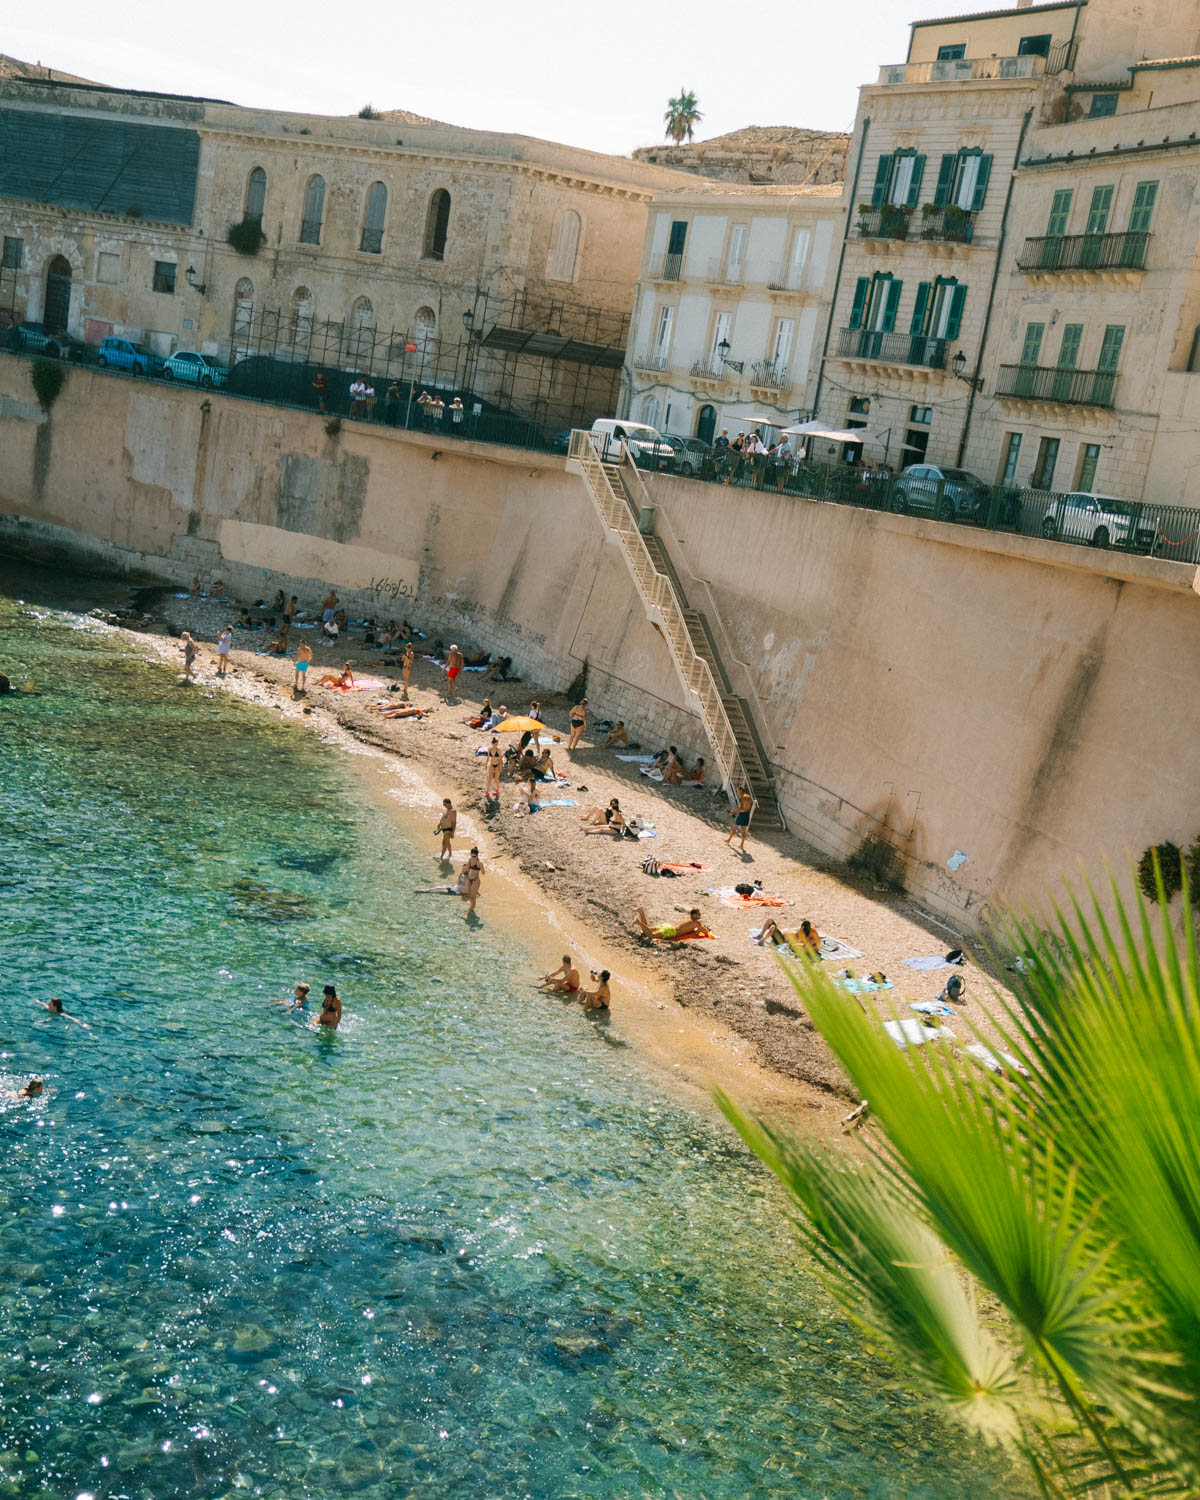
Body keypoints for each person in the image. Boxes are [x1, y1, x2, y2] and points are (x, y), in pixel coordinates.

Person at [756, 917, 821, 955]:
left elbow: (794, 944)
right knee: (770, 920)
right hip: (779, 932)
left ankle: (762, 940)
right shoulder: (799, 931)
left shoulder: (802, 934)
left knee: (773, 927)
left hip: (781, 938)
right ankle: (761, 935)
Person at [633, 907, 705, 940]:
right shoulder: (697, 923)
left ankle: (641, 912)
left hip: (668, 926)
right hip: (671, 930)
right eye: (699, 914)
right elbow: (706, 932)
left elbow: (687, 928)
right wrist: (706, 929)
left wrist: (695, 930)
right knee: (651, 935)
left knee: (646, 930)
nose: (700, 915)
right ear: (694, 915)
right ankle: (638, 922)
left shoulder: (687, 917)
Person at [460, 847, 483, 914]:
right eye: (472, 856)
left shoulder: (479, 863)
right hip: (469, 879)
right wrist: (461, 874)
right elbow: (466, 867)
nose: (473, 857)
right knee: (469, 896)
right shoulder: (470, 860)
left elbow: (483, 872)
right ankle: (471, 907)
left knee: (473, 896)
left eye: (474, 856)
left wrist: (482, 867)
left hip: (475, 880)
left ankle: (472, 910)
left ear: (477, 855)